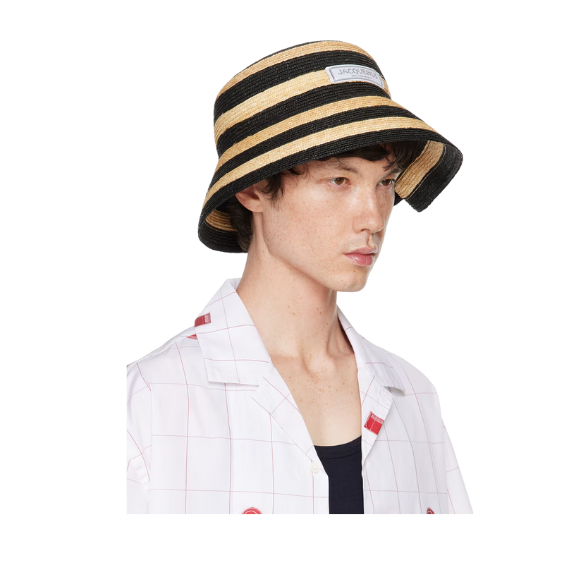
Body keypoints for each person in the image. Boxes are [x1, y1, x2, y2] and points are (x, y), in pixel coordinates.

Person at [126, 39, 473, 514]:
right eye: (339, 180)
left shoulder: (413, 397)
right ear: (254, 189)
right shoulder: (151, 400)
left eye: (385, 183)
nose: (374, 217)